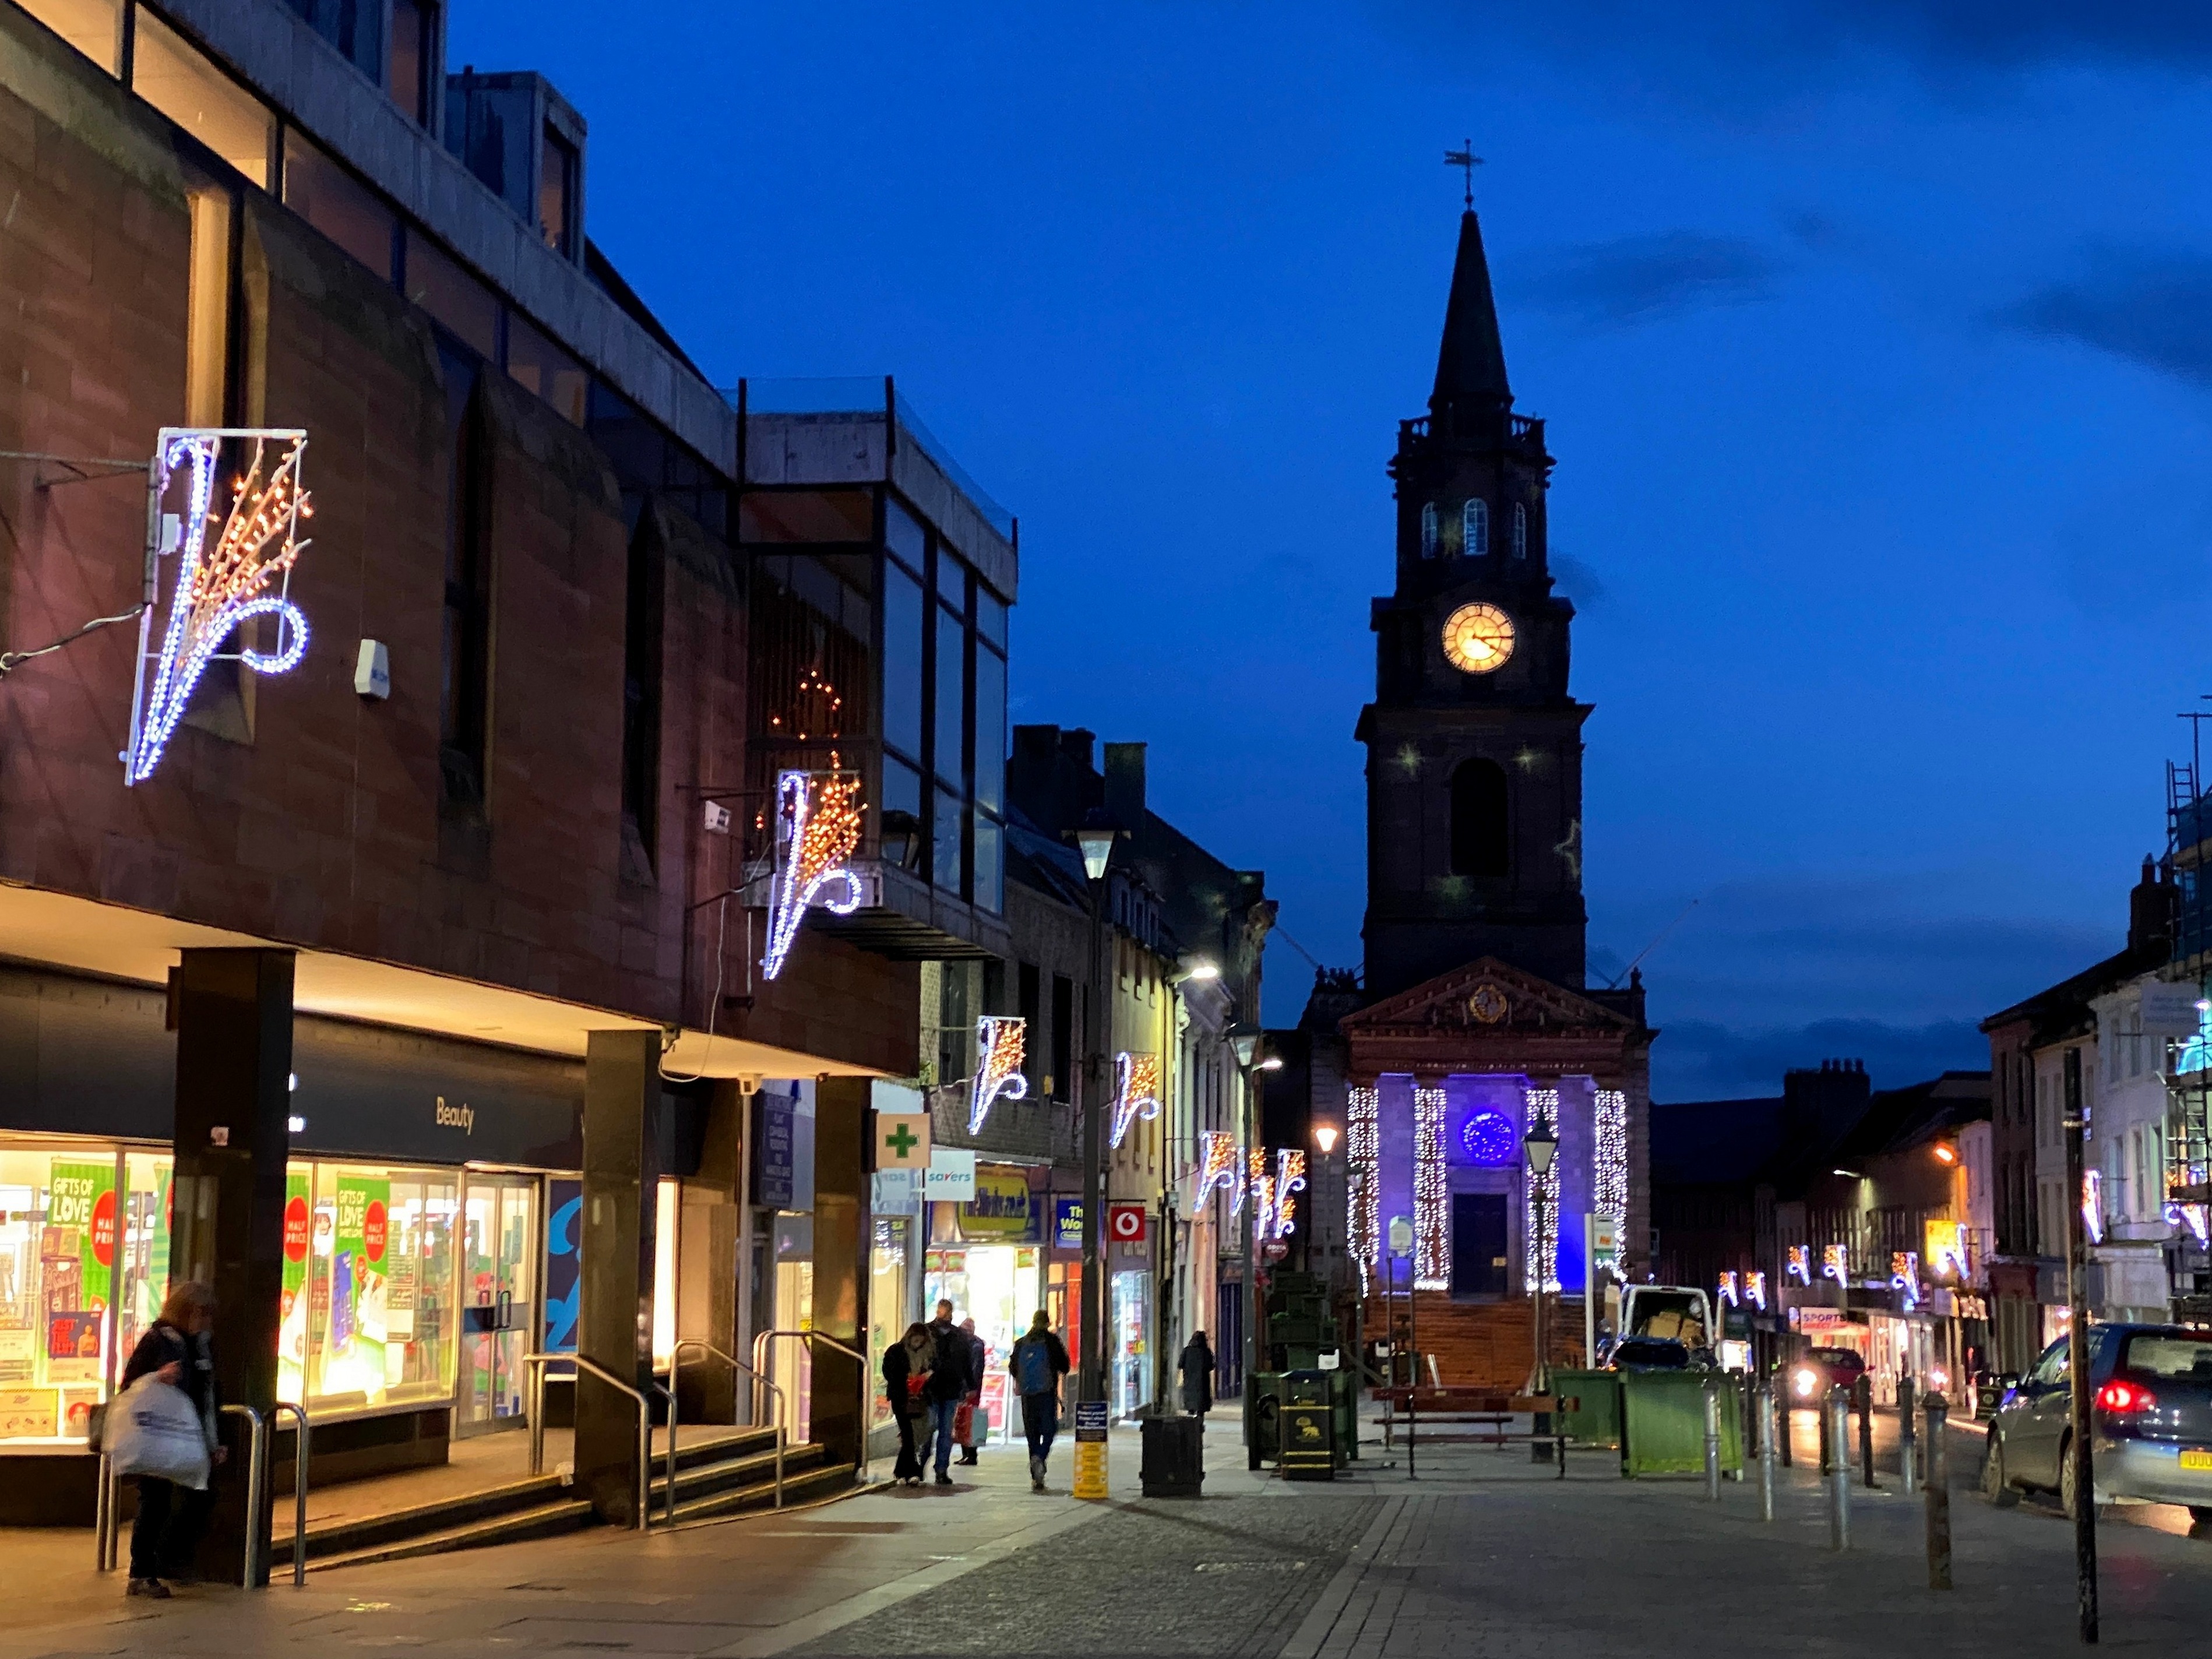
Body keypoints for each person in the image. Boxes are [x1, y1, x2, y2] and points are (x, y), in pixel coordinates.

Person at [118, 1282, 224, 1598]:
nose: (204, 1321)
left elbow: (209, 1395)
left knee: (198, 1497)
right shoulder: (157, 1341)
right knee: (155, 1501)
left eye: (208, 1314)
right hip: (159, 1434)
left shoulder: (201, 1345)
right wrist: (157, 1376)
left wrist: (215, 1439)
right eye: (200, 1313)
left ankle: (167, 1561)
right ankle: (142, 1571)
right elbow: (130, 1386)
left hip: (188, 1434)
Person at [1008, 1311, 1070, 1491]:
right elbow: (1065, 1366)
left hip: (1028, 1395)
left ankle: (1037, 1478)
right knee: (1050, 1430)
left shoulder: (1021, 1343)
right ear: (1047, 1323)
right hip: (1046, 1393)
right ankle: (1041, 1457)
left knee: (1032, 1433)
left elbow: (1013, 1368)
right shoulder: (1052, 1341)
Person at [921, 1299, 971, 1485]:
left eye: (946, 1312)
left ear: (950, 1313)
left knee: (943, 1432)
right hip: (932, 1390)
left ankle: (941, 1469)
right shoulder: (928, 1332)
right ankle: (923, 1463)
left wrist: (969, 1386)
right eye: (942, 1312)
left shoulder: (957, 1335)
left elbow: (966, 1362)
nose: (944, 1315)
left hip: (949, 1390)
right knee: (930, 1430)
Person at [882, 1322, 935, 1487]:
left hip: (921, 1400)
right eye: (915, 1340)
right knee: (908, 1435)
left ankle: (901, 1470)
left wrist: (927, 1377)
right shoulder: (896, 1351)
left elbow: (938, 1372)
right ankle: (912, 1472)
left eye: (920, 1341)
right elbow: (888, 1372)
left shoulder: (930, 1354)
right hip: (901, 1399)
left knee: (917, 1436)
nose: (917, 1344)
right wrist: (907, 1377)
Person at [954, 1317, 988, 1466]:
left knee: (970, 1420)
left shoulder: (975, 1346)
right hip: (965, 1388)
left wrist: (970, 1388)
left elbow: (975, 1369)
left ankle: (971, 1454)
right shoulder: (967, 1344)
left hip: (970, 1390)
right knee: (963, 1421)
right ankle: (966, 1454)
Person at [1179, 1330, 1216, 1418]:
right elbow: (1211, 1366)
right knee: (1201, 1409)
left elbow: (1180, 1364)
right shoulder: (1206, 1352)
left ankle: (1190, 1423)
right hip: (1202, 1384)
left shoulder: (1187, 1351)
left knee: (1190, 1407)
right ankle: (1199, 1425)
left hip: (1189, 1382)